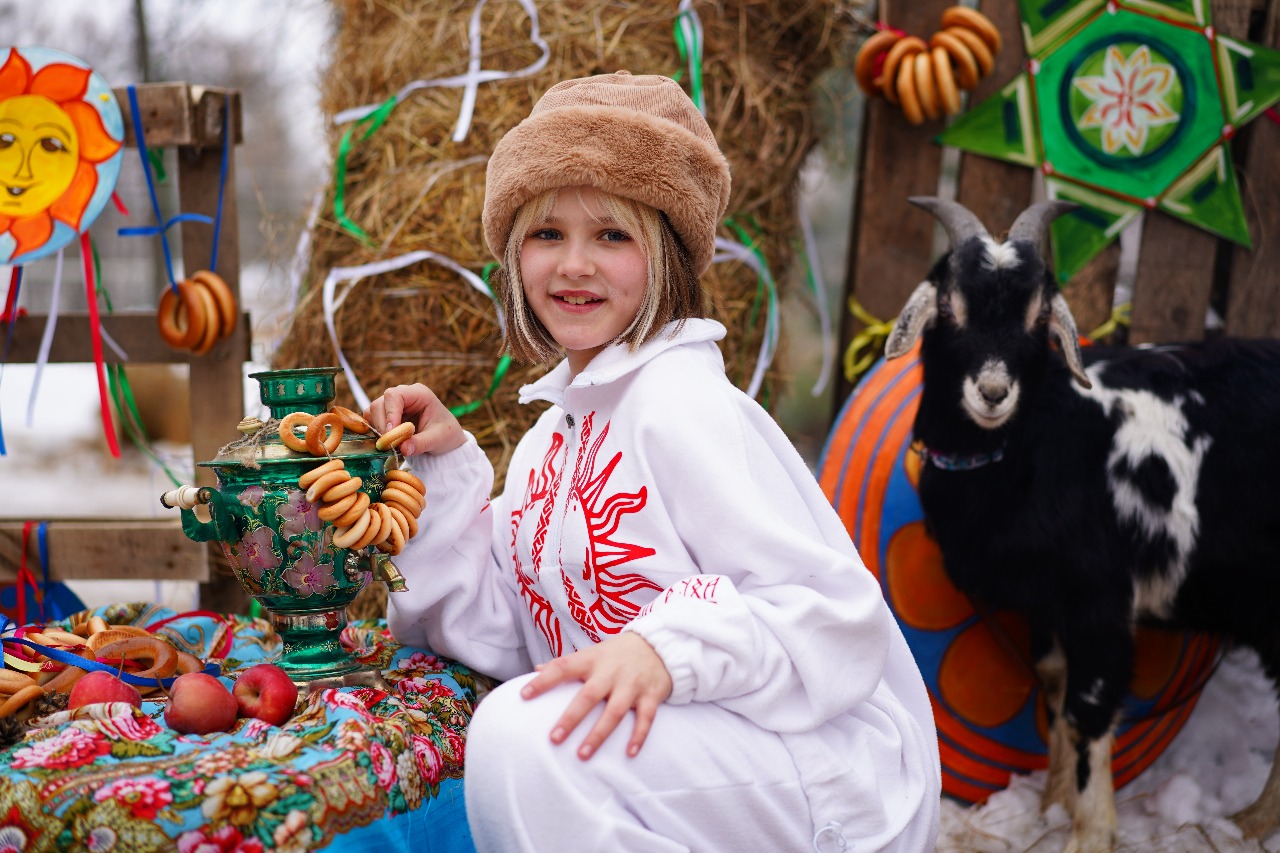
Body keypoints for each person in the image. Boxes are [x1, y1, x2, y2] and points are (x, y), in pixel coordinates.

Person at [365, 71, 941, 852]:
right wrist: (436, 476)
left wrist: (664, 650)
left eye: (612, 234)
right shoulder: (552, 437)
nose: (573, 264)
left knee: (527, 734)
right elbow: (511, 633)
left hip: (813, 765)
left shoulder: (682, 406)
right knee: (530, 722)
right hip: (678, 752)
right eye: (545, 234)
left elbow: (831, 614)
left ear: (665, 251)